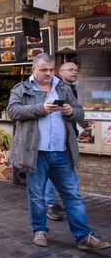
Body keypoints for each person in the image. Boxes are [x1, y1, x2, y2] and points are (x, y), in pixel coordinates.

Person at [8, 53, 110, 250]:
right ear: (33, 70)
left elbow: (80, 112)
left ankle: (84, 237)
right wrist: (40, 109)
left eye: (50, 69)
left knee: (72, 195)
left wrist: (72, 112)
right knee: (37, 196)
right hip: (35, 152)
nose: (48, 73)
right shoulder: (22, 89)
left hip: (62, 152)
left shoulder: (63, 87)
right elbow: (13, 112)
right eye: (43, 70)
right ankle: (40, 231)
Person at [45, 62, 80, 221]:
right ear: (61, 72)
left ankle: (56, 202)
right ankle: (50, 204)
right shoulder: (54, 88)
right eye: (71, 70)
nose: (75, 73)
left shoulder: (70, 89)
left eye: (76, 70)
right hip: (53, 142)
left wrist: (73, 112)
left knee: (64, 174)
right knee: (54, 174)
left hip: (67, 138)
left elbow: (79, 111)